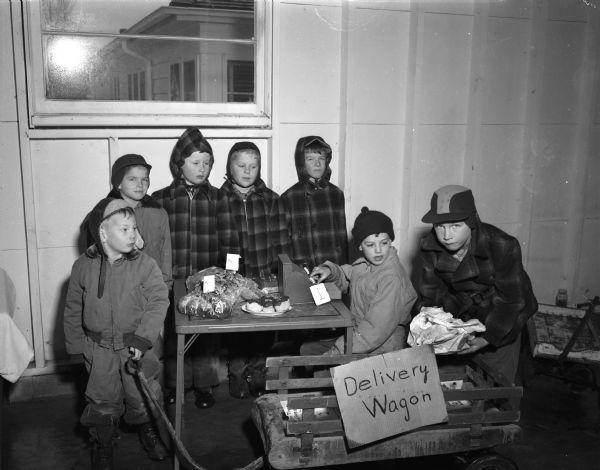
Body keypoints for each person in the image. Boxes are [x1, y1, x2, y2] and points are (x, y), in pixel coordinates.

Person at [64, 198, 169, 469]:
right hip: (98, 350)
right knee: (101, 401)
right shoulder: (82, 267)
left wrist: (143, 338)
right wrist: (77, 348)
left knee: (142, 395)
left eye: (134, 228)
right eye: (124, 229)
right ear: (103, 233)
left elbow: (159, 300)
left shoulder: (144, 264)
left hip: (136, 347)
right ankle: (103, 443)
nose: (133, 234)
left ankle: (148, 430)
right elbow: (73, 309)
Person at [414, 184, 538, 385]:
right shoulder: (429, 246)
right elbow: (431, 292)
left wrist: (487, 338)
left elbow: (512, 301)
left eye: (455, 226)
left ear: (472, 222)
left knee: (499, 377)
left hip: (506, 311)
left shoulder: (504, 245)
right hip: (465, 309)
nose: (446, 235)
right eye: (440, 226)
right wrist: (429, 326)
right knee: (457, 376)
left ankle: (498, 409)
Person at [152, 128, 239, 409]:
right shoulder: (161, 199)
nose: (202, 169)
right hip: (173, 278)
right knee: (175, 332)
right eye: (195, 162)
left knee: (205, 335)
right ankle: (177, 384)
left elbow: (231, 241)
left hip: (209, 279)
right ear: (180, 164)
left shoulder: (218, 198)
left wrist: (230, 276)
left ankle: (205, 385)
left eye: (207, 163)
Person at [220, 141, 290, 398]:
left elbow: (282, 243)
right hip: (234, 278)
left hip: (264, 277)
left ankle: (259, 374)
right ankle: (237, 373)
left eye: (253, 166)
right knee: (237, 331)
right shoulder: (220, 199)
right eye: (241, 165)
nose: (247, 171)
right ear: (230, 167)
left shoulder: (272, 200)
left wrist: (278, 275)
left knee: (263, 331)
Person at [301, 207, 417, 355]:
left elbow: (375, 330)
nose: (378, 250)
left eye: (384, 243)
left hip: (383, 349)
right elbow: (347, 275)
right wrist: (330, 271)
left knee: (317, 361)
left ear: (391, 242)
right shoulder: (364, 265)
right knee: (307, 348)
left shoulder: (391, 278)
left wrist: (338, 351)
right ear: (360, 246)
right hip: (361, 336)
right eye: (370, 245)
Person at [280, 136, 348, 269]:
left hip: (332, 269)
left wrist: (344, 272)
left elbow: (342, 238)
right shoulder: (288, 197)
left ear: (327, 161)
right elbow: (284, 244)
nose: (317, 164)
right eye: (310, 159)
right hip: (302, 271)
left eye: (321, 159)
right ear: (301, 162)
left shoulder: (336, 194)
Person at [106, 154, 172, 288]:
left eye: (144, 179)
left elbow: (166, 254)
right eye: (132, 179)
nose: (140, 184)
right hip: (120, 291)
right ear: (118, 183)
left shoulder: (158, 212)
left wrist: (166, 287)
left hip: (153, 289)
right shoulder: (105, 213)